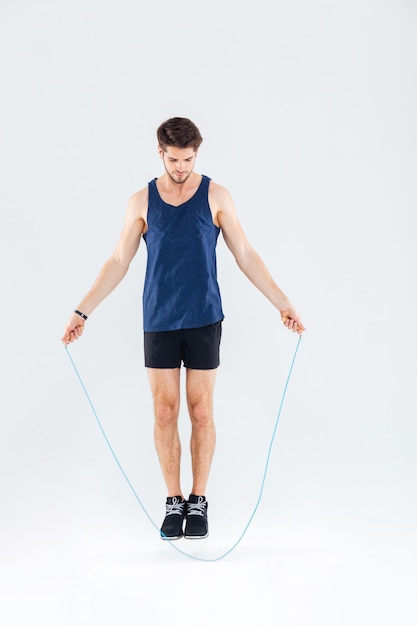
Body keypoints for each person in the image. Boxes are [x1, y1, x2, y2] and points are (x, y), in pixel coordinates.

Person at [61, 117, 305, 541]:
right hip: (158, 318)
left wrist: (282, 303)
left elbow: (245, 253)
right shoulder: (141, 201)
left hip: (204, 317)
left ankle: (199, 500)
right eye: (173, 159)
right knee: (164, 411)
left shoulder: (216, 195)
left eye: (188, 159)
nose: (180, 167)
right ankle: (174, 501)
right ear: (160, 152)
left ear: (197, 153)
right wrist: (82, 312)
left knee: (202, 411)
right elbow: (119, 261)